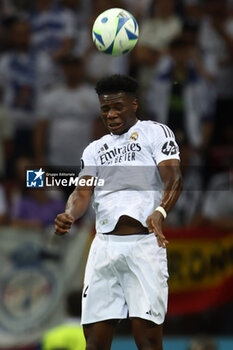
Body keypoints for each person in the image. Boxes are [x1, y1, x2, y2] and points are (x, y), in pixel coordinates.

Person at [54, 74, 183, 350]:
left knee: (147, 341)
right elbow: (82, 192)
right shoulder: (94, 149)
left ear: (134, 104)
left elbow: (174, 178)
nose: (110, 114)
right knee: (95, 343)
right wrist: (69, 213)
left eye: (117, 107)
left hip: (143, 247)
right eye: (104, 109)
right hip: (104, 248)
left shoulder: (155, 132)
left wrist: (160, 211)